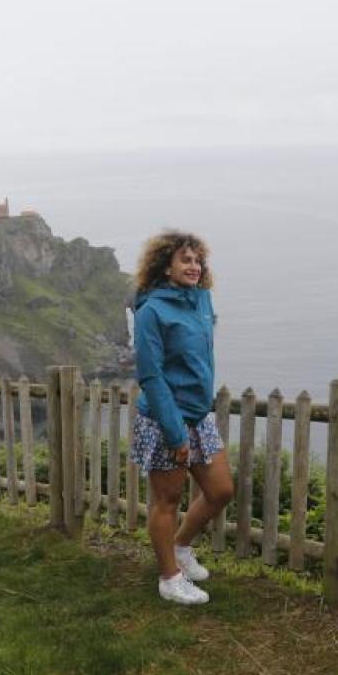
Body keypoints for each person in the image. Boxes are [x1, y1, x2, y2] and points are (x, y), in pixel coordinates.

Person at [131, 230, 235, 605]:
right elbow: (151, 376)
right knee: (167, 500)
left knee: (221, 490)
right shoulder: (151, 312)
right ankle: (169, 578)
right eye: (185, 260)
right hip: (165, 420)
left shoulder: (201, 300)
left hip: (199, 415)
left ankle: (181, 548)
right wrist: (176, 435)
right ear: (165, 266)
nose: (194, 266)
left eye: (197, 260)